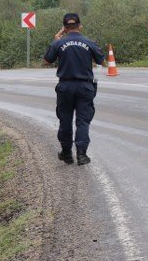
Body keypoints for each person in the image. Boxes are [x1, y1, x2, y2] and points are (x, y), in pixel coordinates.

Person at [43, 13, 105, 166]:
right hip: (85, 86)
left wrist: (56, 40)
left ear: (64, 28)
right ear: (80, 26)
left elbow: (46, 61)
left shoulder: (59, 43)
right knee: (83, 121)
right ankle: (82, 155)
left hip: (65, 86)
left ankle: (66, 153)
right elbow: (101, 60)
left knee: (65, 120)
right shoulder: (89, 42)